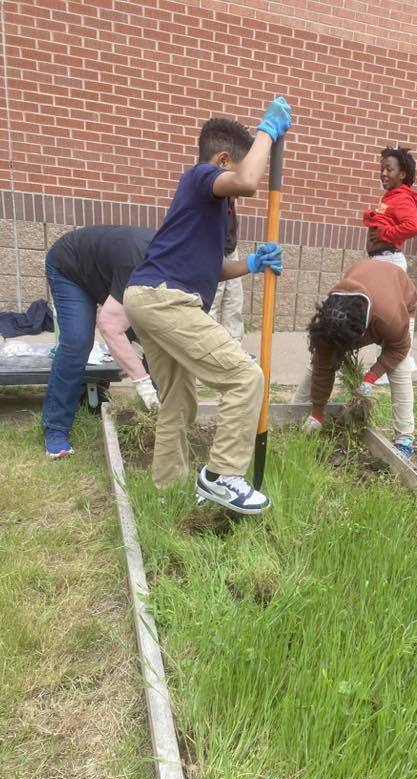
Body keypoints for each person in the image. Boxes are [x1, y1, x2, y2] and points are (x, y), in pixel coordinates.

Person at [123, 102, 292, 515]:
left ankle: (166, 492)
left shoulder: (210, 208)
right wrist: (267, 131)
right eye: (237, 165)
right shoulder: (201, 176)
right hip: (165, 299)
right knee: (244, 377)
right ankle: (221, 475)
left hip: (148, 297)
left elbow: (210, 269)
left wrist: (250, 264)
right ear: (223, 161)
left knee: (178, 402)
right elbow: (249, 181)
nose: (241, 175)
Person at [42, 225, 159, 458]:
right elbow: (109, 326)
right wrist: (144, 385)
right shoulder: (138, 262)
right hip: (70, 267)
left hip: (107, 275)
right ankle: (55, 427)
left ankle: (159, 412)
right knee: (77, 342)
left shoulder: (175, 267)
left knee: (150, 336)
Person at [294, 259, 417, 458]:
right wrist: (317, 413)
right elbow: (323, 366)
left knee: (399, 368)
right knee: (321, 360)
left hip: (401, 295)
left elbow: (399, 348)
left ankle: (405, 438)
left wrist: (371, 377)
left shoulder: (390, 318)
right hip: (368, 291)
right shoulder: (331, 316)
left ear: (361, 334)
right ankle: (295, 412)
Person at [362, 147, 417, 271]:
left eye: (389, 170)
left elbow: (413, 227)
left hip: (389, 261)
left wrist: (383, 233)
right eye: (382, 169)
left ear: (402, 174)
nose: (383, 174)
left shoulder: (403, 198)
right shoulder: (391, 196)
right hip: (381, 259)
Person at [208, 198, 245, 341]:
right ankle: (208, 344)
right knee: (211, 302)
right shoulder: (215, 196)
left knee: (234, 299)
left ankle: (234, 343)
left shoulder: (232, 200)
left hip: (231, 250)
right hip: (213, 251)